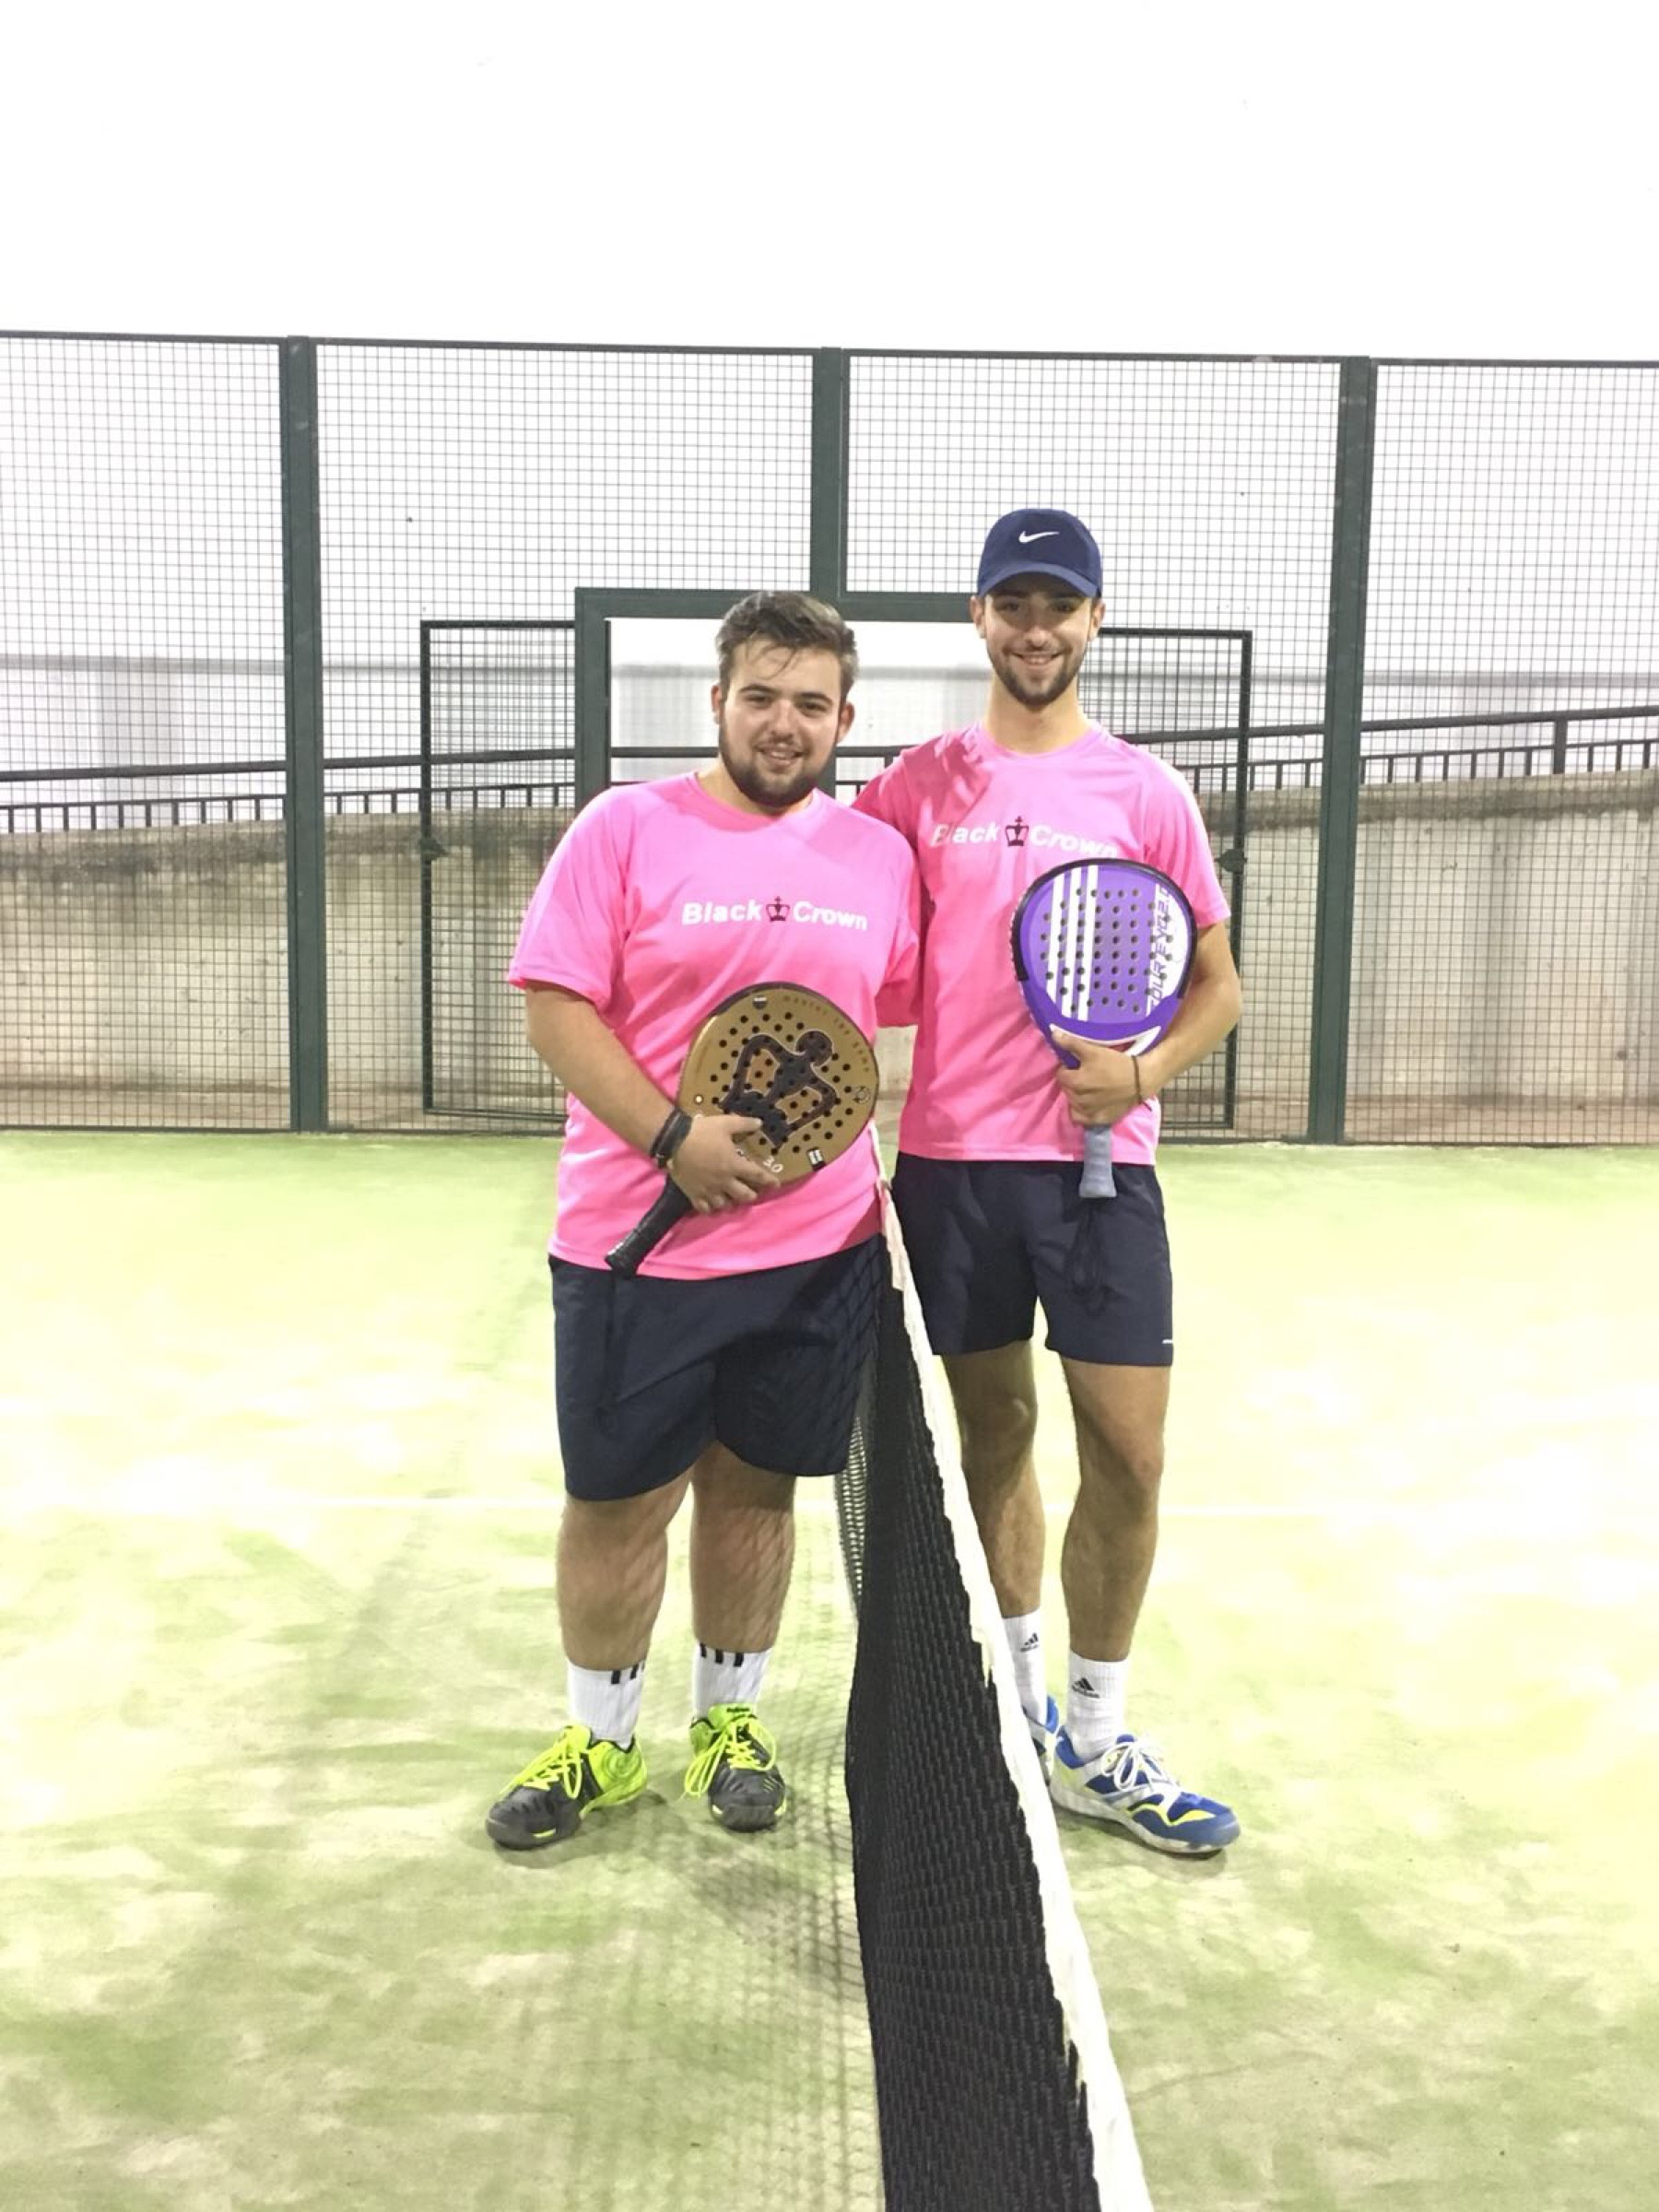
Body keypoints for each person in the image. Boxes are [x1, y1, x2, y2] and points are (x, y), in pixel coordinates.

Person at [487, 592, 918, 1852]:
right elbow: (555, 1006)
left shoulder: (876, 860)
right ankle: (603, 1743)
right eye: (761, 697)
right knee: (618, 1503)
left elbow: (873, 1024)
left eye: (811, 704)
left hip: (817, 1256)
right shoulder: (625, 829)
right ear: (718, 702)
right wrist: (673, 1137)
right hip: (637, 1247)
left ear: (845, 719)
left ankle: (730, 1724)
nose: (784, 724)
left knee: (755, 1495)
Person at [853, 510, 1243, 1856]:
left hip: (1103, 1179)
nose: (1035, 629)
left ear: (1094, 620)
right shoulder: (916, 787)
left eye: (1057, 606)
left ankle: (1098, 1732)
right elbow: (849, 929)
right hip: (953, 1172)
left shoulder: (1146, 792)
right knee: (995, 1437)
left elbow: (1217, 986)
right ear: (979, 619)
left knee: (1128, 1454)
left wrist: (1140, 1077)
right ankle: (1020, 1708)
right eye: (1012, 605)